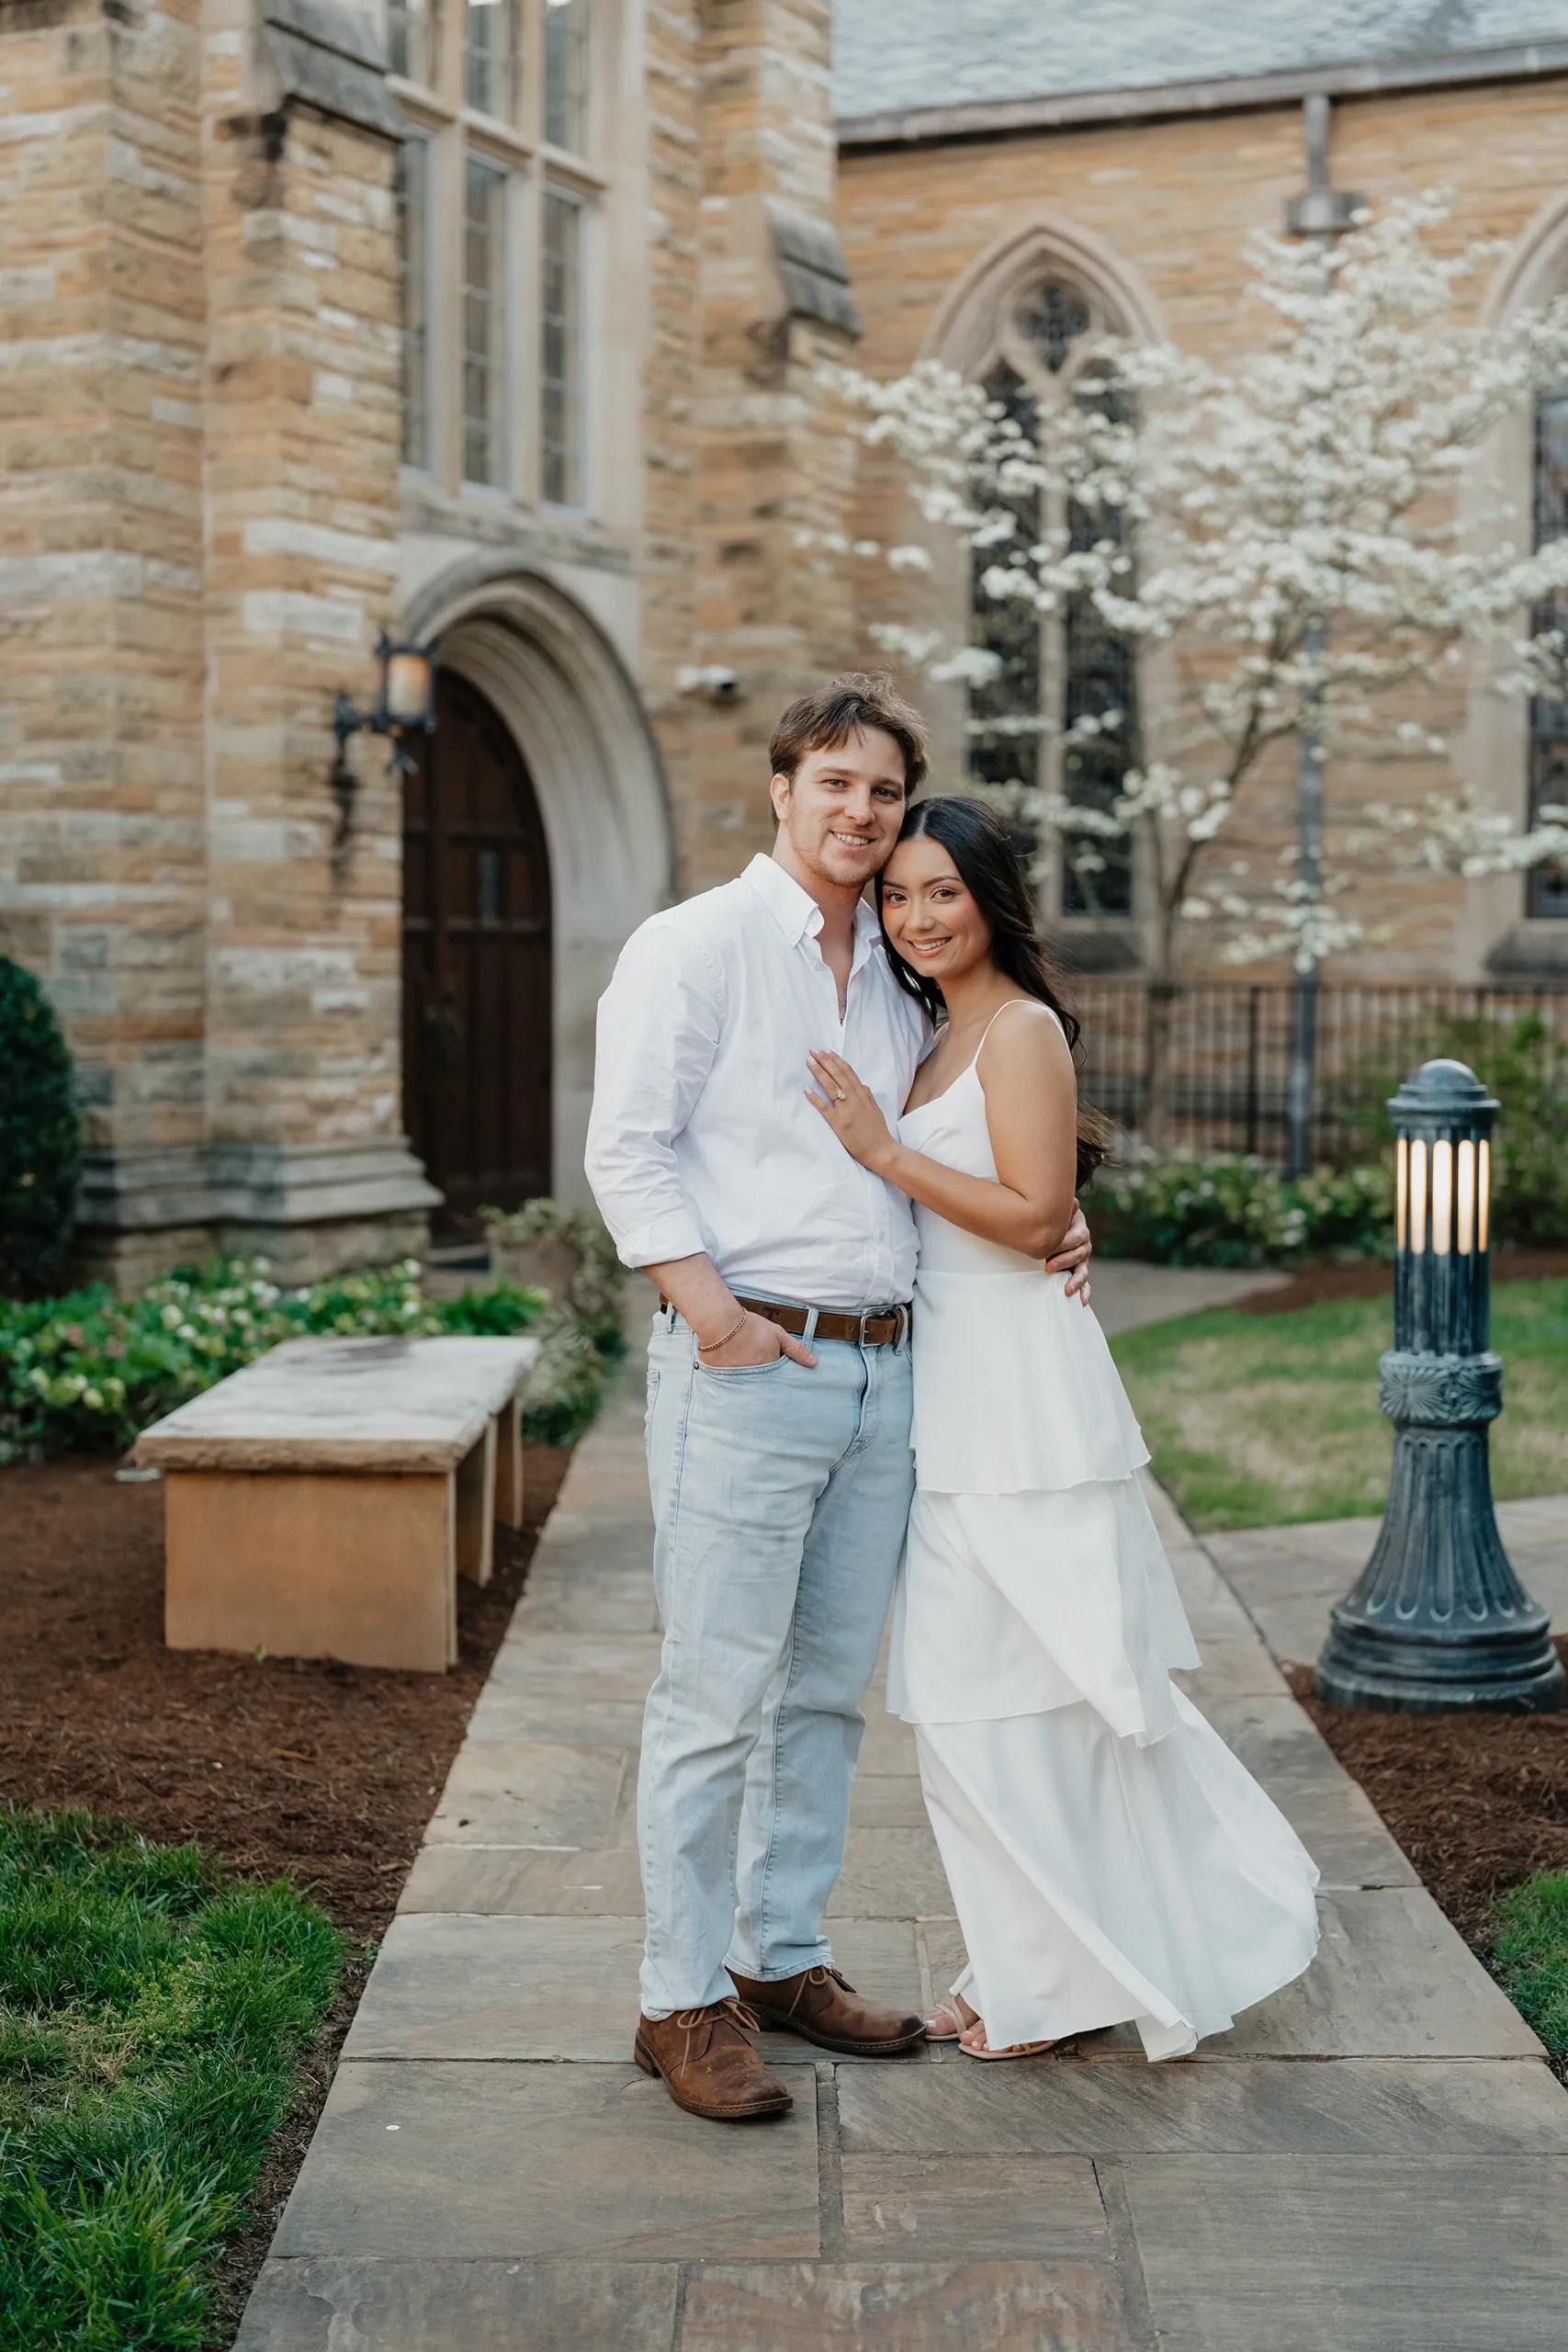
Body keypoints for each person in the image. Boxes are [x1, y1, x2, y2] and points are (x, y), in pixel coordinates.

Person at [585, 679, 1095, 2120]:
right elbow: (625, 1151)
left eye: (882, 792)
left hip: (893, 1370)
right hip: (753, 1370)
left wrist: (1059, 1218)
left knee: (822, 1697)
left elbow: (982, 1131)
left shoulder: (898, 965)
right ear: (782, 788)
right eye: (833, 785)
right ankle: (676, 2000)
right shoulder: (692, 946)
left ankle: (779, 1958)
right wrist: (716, 1319)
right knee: (712, 1695)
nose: (859, 815)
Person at [805, 793, 1320, 2062]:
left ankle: (1061, 1985)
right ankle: (1033, 1964)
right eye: (897, 893)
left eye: (941, 891)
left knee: (1041, 1701)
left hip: (1026, 1408)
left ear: (990, 900)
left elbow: (1036, 1218)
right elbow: (1016, 1211)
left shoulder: (1019, 1028)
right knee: (976, 1708)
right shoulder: (931, 1028)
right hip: (956, 1396)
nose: (916, 916)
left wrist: (882, 1151)